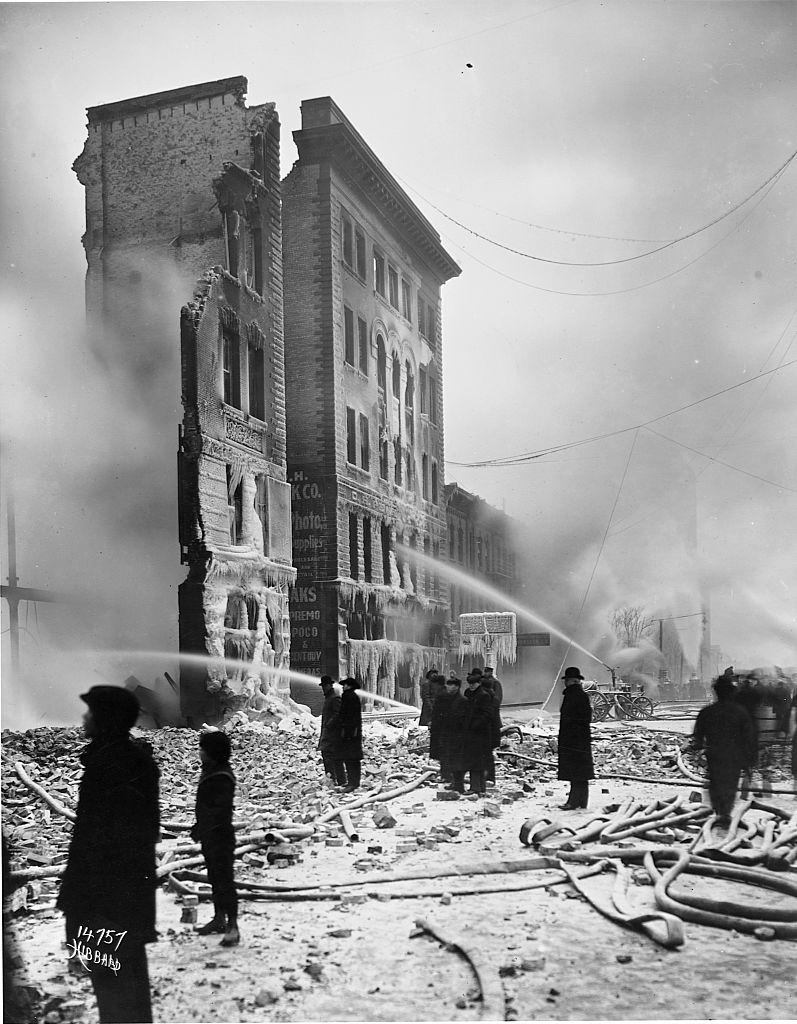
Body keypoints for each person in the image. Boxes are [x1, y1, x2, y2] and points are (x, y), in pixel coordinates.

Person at [57, 686, 159, 1024]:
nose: (85, 718)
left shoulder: (110, 766)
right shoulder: (130, 761)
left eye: (91, 712)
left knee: (114, 986)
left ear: (106, 719)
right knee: (125, 981)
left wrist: (78, 902)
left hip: (107, 901)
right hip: (125, 901)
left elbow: (94, 843)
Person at [190, 731, 239, 947]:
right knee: (215, 878)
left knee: (224, 881)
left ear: (212, 752)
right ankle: (219, 919)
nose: (200, 752)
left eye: (203, 748)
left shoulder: (221, 776)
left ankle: (233, 926)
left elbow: (218, 810)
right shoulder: (212, 771)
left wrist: (205, 827)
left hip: (220, 835)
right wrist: (199, 826)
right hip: (211, 835)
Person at [692, 673, 756, 828]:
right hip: (734, 755)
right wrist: (749, 761)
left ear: (716, 692)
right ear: (731, 692)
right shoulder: (740, 712)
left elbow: (697, 736)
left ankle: (719, 812)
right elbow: (749, 738)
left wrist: (699, 750)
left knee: (716, 781)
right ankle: (725, 812)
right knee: (730, 783)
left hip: (714, 754)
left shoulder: (707, 712)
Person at [557, 666, 594, 810]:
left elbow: (575, 719)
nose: (564, 683)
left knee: (575, 772)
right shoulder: (581, 695)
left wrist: (571, 735)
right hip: (580, 740)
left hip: (573, 740)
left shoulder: (573, 696)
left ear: (572, 681)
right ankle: (581, 801)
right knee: (580, 773)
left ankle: (573, 802)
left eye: (566, 680)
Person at [460, 670, 495, 794]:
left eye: (473, 684)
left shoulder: (484, 695)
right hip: (470, 733)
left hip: (480, 734)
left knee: (477, 761)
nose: (471, 686)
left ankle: (477, 787)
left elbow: (487, 714)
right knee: (473, 760)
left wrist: (475, 725)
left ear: (479, 683)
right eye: (469, 684)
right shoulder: (468, 693)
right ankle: (478, 787)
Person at [430, 675, 464, 784]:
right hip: (444, 730)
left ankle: (447, 776)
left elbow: (440, 713)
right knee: (445, 753)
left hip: (445, 730)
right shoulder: (447, 695)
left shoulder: (444, 696)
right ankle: (448, 775)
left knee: (446, 754)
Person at [318, 676, 347, 787]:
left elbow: (338, 714)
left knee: (330, 756)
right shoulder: (329, 697)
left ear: (330, 685)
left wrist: (329, 724)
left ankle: (335, 779)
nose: (323, 688)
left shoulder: (334, 698)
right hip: (329, 733)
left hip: (333, 734)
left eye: (325, 686)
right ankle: (337, 779)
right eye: (323, 686)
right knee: (332, 757)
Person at [339, 677, 363, 792]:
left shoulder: (348, 696)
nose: (343, 687)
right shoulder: (354, 697)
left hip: (350, 733)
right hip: (353, 732)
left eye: (345, 685)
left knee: (350, 758)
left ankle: (352, 783)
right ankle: (354, 782)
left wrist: (346, 732)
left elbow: (347, 716)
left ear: (349, 686)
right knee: (353, 759)